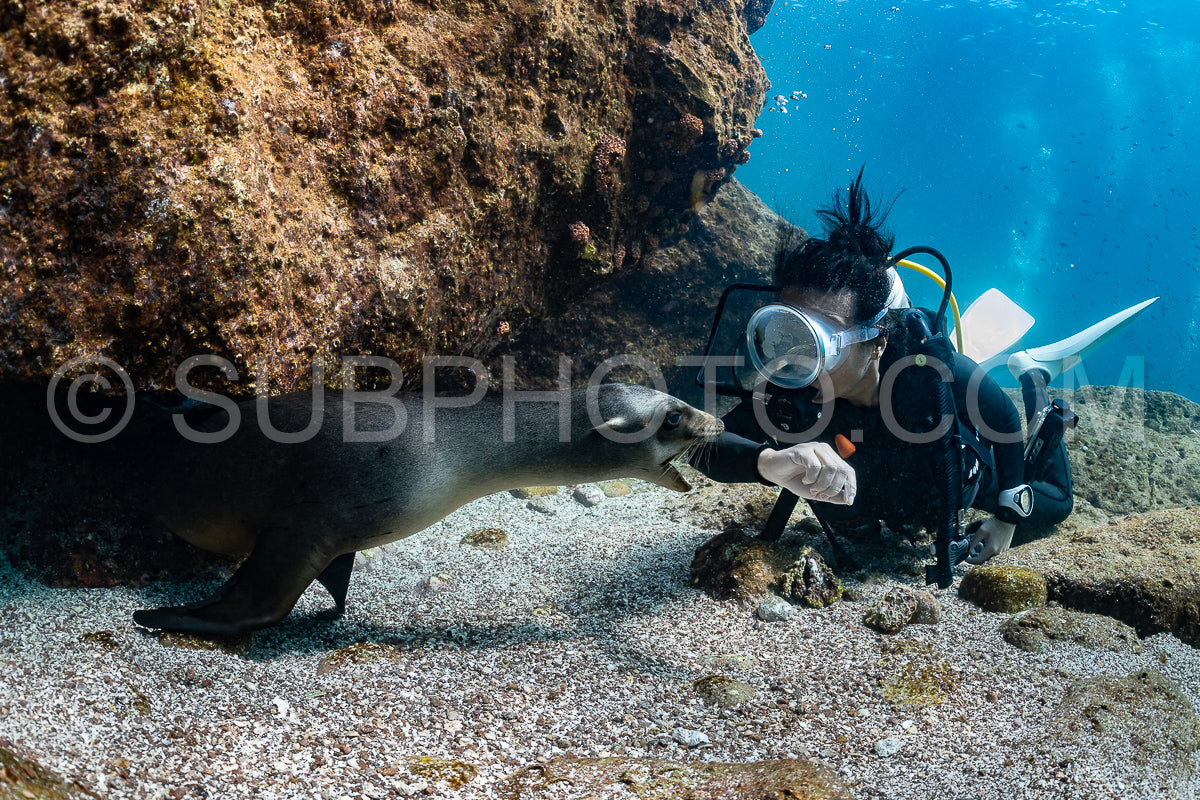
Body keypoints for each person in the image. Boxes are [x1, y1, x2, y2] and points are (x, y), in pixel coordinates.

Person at [692, 170, 1073, 565]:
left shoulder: (930, 372)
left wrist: (1008, 516)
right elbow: (703, 445)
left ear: (877, 341)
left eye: (823, 341)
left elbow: (1003, 416)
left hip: (958, 478)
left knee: (1058, 503)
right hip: (882, 493)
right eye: (790, 332)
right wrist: (766, 463)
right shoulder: (794, 387)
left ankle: (1033, 377)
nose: (806, 359)